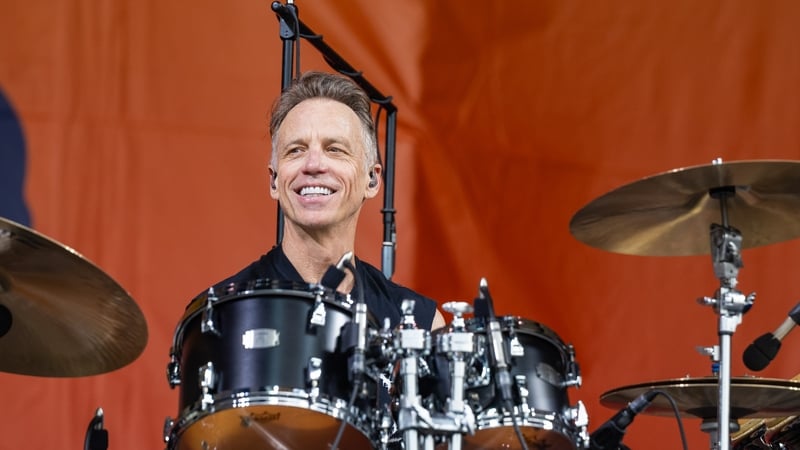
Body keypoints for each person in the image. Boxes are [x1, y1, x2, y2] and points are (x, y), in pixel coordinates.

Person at [202, 71, 445, 331]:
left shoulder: (421, 325)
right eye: (296, 150)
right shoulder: (218, 316)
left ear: (372, 180)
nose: (313, 164)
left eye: (335, 149)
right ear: (274, 181)